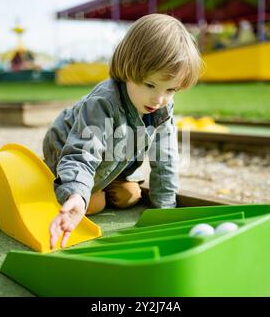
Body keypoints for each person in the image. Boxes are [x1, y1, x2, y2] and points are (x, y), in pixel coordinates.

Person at [44, 14, 202, 249]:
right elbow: (82, 152)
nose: (159, 99)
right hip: (68, 147)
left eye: (171, 89)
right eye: (150, 85)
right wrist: (77, 195)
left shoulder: (162, 107)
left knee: (131, 197)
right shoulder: (103, 102)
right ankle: (73, 186)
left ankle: (101, 186)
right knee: (93, 204)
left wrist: (165, 209)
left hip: (113, 158)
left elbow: (165, 157)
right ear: (128, 70)